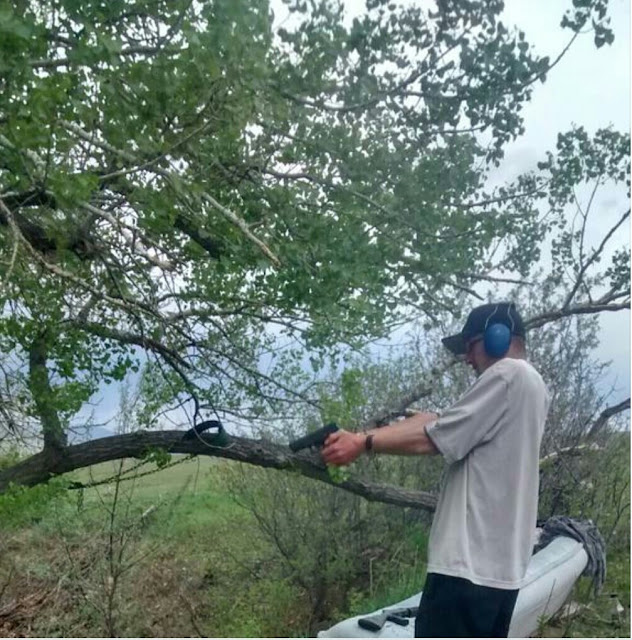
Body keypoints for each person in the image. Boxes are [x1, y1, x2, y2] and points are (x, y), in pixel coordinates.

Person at [321, 302, 550, 638]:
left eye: (470, 347)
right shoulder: (533, 385)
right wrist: (411, 424)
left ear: (497, 337)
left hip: (466, 570)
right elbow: (442, 424)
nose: (467, 359)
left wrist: (361, 442)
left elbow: (433, 439)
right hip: (499, 573)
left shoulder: (506, 375)